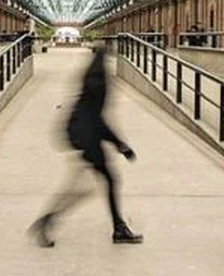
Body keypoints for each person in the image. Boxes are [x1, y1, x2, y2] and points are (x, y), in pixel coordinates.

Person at [29, 45, 142, 248]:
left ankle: (118, 227)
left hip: (82, 134)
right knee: (87, 186)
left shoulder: (91, 75)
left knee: (97, 182)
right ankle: (49, 220)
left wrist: (117, 143)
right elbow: (97, 118)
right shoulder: (100, 81)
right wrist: (119, 144)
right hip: (88, 137)